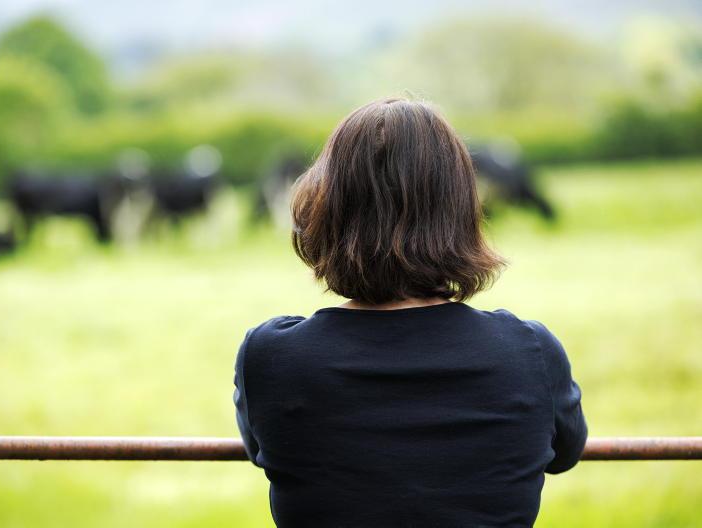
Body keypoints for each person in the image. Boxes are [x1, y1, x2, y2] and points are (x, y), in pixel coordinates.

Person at [233, 97, 587, 527]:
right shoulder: (530, 352)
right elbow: (565, 454)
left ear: (324, 207)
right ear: (460, 210)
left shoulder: (270, 357)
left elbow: (259, 449)